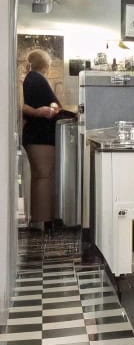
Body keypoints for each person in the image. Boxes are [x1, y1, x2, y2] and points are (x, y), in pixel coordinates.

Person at [21, 49, 61, 227]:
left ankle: (38, 220)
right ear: (47, 65)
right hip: (41, 135)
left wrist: (50, 106)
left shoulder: (30, 79)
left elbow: (49, 102)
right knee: (44, 176)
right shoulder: (37, 79)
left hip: (34, 134)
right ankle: (43, 221)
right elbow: (53, 105)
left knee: (39, 176)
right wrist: (45, 110)